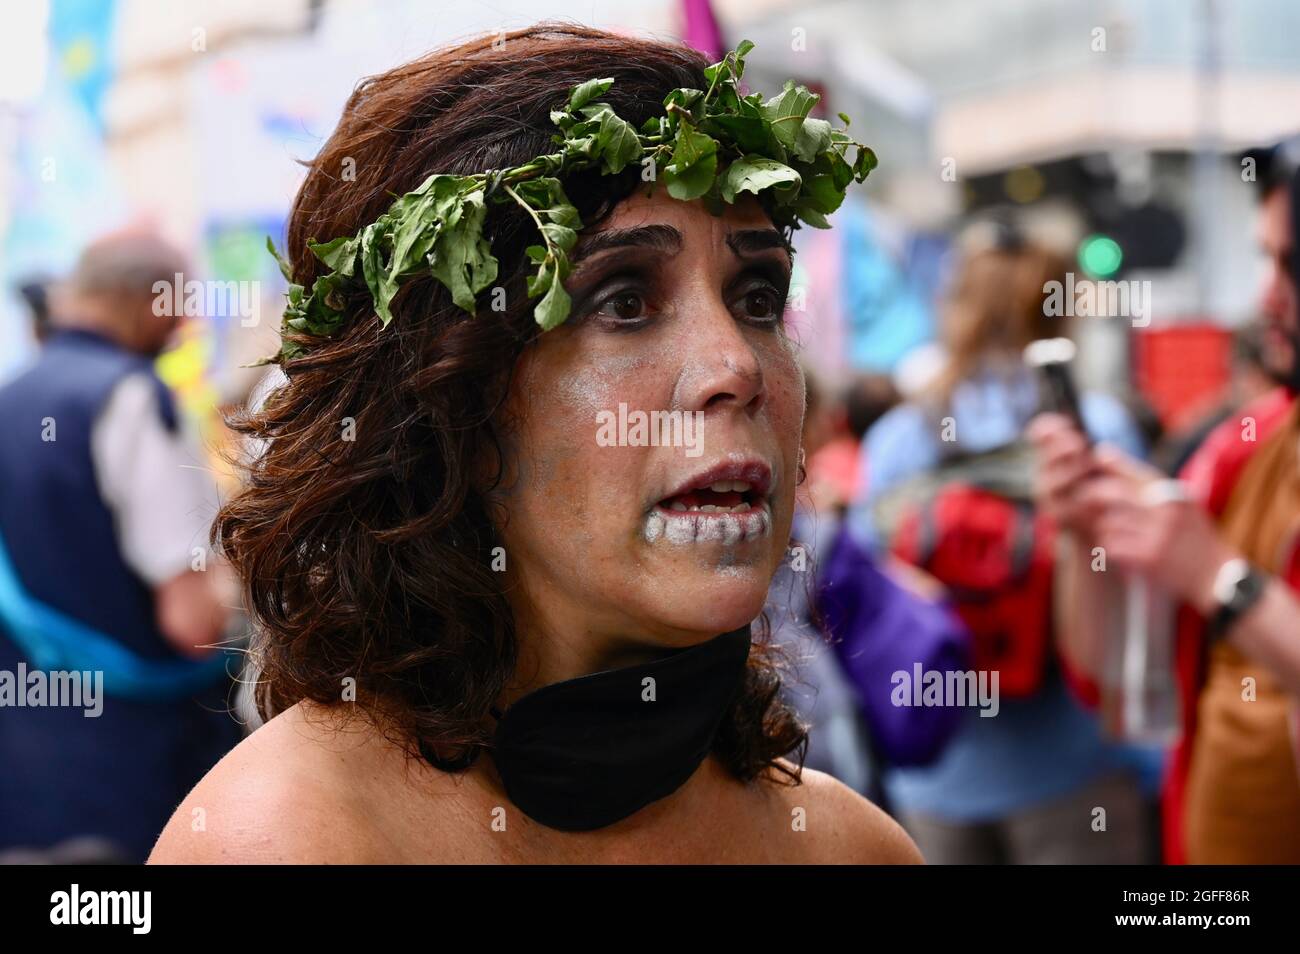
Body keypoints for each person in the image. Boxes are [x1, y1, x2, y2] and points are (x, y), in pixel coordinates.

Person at [149, 24, 922, 865]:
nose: (737, 366)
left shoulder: (853, 848)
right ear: (446, 398)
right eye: (623, 301)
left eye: (759, 297)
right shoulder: (283, 845)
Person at [848, 226, 1156, 864]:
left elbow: (863, 600)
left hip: (935, 779)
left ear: (954, 304)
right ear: (1059, 305)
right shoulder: (1093, 432)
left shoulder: (899, 439)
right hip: (1075, 769)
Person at [1030, 136, 1300, 863]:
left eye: (1290, 265)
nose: (1266, 296)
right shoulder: (1246, 448)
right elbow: (1109, 678)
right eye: (1265, 259)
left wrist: (1221, 579)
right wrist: (1081, 527)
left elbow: (1209, 578)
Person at [0, 231, 239, 862]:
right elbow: (193, 622)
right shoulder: (130, 397)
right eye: (181, 305)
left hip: (26, 774)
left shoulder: (9, 398)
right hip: (137, 776)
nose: (186, 324)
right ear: (151, 304)